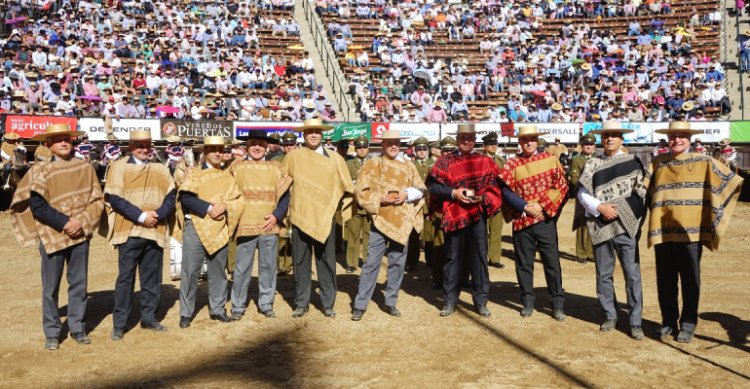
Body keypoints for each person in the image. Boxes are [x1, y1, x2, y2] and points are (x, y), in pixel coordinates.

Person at [644, 121, 744, 343]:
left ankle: (688, 324)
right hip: (663, 231)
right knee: (665, 281)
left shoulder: (704, 161)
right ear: (667, 139)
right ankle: (668, 322)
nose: (677, 140)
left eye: (682, 136)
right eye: (673, 136)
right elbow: (645, 191)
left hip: (691, 233)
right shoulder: (657, 163)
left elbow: (731, 181)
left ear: (690, 138)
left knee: (691, 280)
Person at [10, 124, 104, 350]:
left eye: (67, 139)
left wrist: (80, 222)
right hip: (52, 235)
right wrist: (66, 223)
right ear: (48, 144)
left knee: (79, 285)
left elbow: (97, 201)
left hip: (80, 234)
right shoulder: (39, 171)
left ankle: (77, 328)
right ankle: (52, 332)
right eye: (58, 139)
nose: (64, 143)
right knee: (50, 287)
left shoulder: (86, 168)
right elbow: (38, 207)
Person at [576, 123, 647, 340]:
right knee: (603, 274)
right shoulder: (592, 164)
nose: (609, 139)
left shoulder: (633, 162)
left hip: (626, 226)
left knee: (632, 275)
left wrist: (622, 212)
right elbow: (582, 193)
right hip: (601, 224)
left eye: (614, 136)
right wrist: (600, 208)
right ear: (602, 139)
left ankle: (635, 321)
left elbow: (641, 192)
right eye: (606, 135)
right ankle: (610, 315)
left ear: (621, 139)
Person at [103, 130, 176, 340]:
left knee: (151, 278)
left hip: (155, 229)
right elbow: (115, 198)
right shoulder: (118, 167)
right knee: (125, 278)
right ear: (131, 146)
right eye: (139, 145)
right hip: (130, 229)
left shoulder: (161, 169)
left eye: (147, 145)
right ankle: (120, 323)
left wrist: (159, 214)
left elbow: (171, 195)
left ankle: (148, 317)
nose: (144, 149)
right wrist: (142, 216)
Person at [427, 124, 503, 318]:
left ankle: (481, 302)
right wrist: (453, 193)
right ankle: (450, 301)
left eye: (470, 137)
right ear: (458, 138)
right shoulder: (445, 161)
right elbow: (433, 187)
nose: (466, 141)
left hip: (477, 216)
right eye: (463, 137)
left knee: (479, 259)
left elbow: (495, 187)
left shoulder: (484, 161)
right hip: (454, 216)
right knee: (453, 259)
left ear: (475, 139)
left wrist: (482, 198)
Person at [351, 129, 426, 321]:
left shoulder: (409, 166)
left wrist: (407, 194)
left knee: (397, 263)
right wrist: (378, 198)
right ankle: (360, 304)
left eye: (396, 142)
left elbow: (421, 188)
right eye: (389, 142)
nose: (393, 145)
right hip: (380, 221)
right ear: (383, 145)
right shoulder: (372, 164)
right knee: (371, 263)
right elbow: (361, 190)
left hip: (402, 223)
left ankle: (391, 301)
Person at [282, 118, 353, 318]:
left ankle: (328, 303)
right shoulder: (293, 157)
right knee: (300, 262)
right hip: (300, 217)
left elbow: (347, 185)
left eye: (317, 131)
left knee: (327, 261)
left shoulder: (335, 158)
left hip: (326, 217)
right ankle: (301, 302)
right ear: (304, 135)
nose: (313, 134)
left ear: (322, 134)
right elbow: (282, 184)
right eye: (309, 131)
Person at [498, 125, 569, 321]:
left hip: (544, 219)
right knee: (524, 263)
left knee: (552, 263)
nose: (528, 142)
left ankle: (557, 303)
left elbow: (561, 186)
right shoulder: (511, 164)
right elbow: (505, 191)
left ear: (537, 140)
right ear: (519, 142)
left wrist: (541, 206)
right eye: (524, 139)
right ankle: (527, 302)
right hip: (522, 220)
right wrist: (525, 206)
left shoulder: (550, 159)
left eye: (531, 139)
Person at [177, 136, 243, 328]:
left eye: (220, 149)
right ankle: (186, 312)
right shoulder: (195, 174)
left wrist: (224, 206)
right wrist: (209, 208)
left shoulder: (228, 176)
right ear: (205, 152)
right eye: (213, 149)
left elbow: (238, 200)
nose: (217, 153)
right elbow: (186, 198)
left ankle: (218, 308)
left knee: (218, 271)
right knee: (190, 271)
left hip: (220, 227)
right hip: (196, 227)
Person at [230, 130, 292, 320]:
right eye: (253, 144)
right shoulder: (236, 167)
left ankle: (266, 304)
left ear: (266, 147)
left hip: (269, 225)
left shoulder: (277, 168)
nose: (257, 147)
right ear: (247, 146)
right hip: (245, 224)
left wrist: (276, 216)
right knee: (241, 268)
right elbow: (227, 192)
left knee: (268, 267)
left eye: (261, 144)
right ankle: (238, 306)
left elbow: (285, 196)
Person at [406, 137, 435, 271]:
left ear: (428, 150)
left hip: (430, 205)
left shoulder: (433, 164)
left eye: (424, 149)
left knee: (429, 235)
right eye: (419, 149)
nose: (422, 152)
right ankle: (412, 261)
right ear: (414, 151)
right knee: (413, 235)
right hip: (414, 205)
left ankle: (430, 261)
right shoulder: (409, 165)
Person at [480, 131, 507, 269]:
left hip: (498, 201)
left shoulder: (501, 161)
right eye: (491, 144)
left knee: (496, 230)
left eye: (495, 144)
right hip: (482, 201)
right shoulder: (478, 160)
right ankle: (482, 257)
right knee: (481, 232)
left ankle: (494, 258)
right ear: (484, 146)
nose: (494, 146)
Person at [569, 133, 597, 264]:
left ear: (594, 146)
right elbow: (574, 179)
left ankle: (590, 252)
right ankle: (580, 253)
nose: (589, 146)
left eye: (591, 144)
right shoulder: (577, 160)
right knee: (581, 225)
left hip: (597, 196)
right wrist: (587, 188)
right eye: (586, 144)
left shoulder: (599, 158)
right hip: (583, 194)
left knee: (593, 224)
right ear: (582, 146)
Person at [344, 136, 371, 273]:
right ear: (355, 148)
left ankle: (367, 260)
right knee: (353, 235)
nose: (362, 150)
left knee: (368, 235)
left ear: (368, 148)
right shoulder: (349, 165)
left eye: (364, 147)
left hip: (370, 207)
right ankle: (351, 262)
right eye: (359, 147)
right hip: (354, 205)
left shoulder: (374, 163)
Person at [277, 132, 298, 275]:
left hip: (297, 202)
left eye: (291, 144)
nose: (289, 147)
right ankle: (280, 266)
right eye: (286, 144)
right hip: (281, 202)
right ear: (282, 146)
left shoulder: (301, 161)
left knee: (296, 237)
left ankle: (292, 264)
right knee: (281, 236)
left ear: (296, 145)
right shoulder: (276, 161)